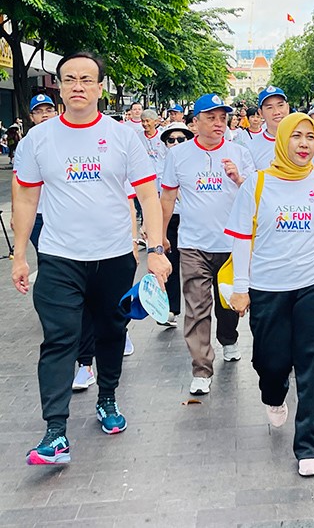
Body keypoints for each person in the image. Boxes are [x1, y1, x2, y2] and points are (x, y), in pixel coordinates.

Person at [12, 51, 171, 465]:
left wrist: (155, 250)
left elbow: (149, 195)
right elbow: (25, 199)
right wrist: (19, 255)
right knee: (59, 338)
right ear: (60, 88)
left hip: (114, 256)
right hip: (59, 258)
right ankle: (55, 432)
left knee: (110, 332)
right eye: (69, 79)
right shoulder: (37, 140)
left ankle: (107, 398)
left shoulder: (123, 137)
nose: (77, 86)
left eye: (86, 79)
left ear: (100, 87)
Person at [225, 113, 314, 477]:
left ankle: (309, 446)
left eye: (310, 137)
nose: (303, 143)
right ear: (282, 140)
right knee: (270, 362)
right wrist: (240, 288)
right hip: (268, 287)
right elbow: (241, 238)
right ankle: (273, 394)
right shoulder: (257, 184)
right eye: (296, 136)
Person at [160, 94, 255, 396]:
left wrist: (238, 178)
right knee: (197, 307)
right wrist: (160, 235)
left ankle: (229, 338)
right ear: (195, 122)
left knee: (227, 304)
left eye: (223, 118)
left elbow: (256, 196)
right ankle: (201, 368)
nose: (218, 123)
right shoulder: (179, 155)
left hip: (232, 244)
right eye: (211, 117)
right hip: (193, 244)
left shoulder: (240, 153)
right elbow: (167, 196)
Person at [158, 122, 195, 328]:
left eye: (181, 139)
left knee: (193, 268)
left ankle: (197, 310)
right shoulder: (159, 163)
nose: (175, 143)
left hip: (190, 220)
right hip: (168, 219)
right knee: (169, 263)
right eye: (171, 140)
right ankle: (170, 309)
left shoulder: (195, 160)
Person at [11, 95, 58, 249]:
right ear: (31, 117)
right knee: (44, 255)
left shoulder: (67, 138)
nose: (44, 115)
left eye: (48, 110)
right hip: (36, 213)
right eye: (38, 111)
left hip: (62, 212)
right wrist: (15, 213)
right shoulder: (25, 144)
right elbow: (17, 180)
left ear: (56, 113)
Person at [244, 86, 290, 169]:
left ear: (287, 107)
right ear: (261, 113)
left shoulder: (304, 141)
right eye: (269, 107)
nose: (276, 112)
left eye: (280, 105)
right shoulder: (250, 147)